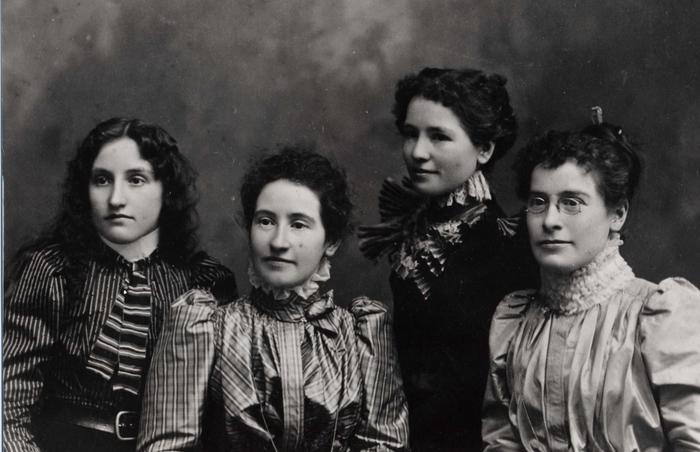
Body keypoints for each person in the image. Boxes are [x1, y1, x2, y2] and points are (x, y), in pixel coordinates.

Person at [137, 146, 409, 452]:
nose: (279, 242)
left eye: (298, 224)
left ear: (330, 241)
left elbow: (385, 446)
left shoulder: (363, 336)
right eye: (266, 221)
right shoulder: (203, 327)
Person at [3, 118, 237, 452]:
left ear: (165, 189)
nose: (116, 199)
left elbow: (220, 415)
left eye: (136, 180)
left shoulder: (203, 281)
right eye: (102, 180)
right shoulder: (53, 270)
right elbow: (7, 405)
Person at [482, 113, 700, 451]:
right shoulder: (514, 322)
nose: (550, 220)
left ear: (618, 214)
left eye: (571, 203)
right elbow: (500, 442)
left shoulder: (659, 316)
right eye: (538, 202)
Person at [358, 67, 537, 450]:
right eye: (410, 134)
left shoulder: (504, 241)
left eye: (439, 136)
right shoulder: (415, 221)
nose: (417, 152)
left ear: (485, 149)